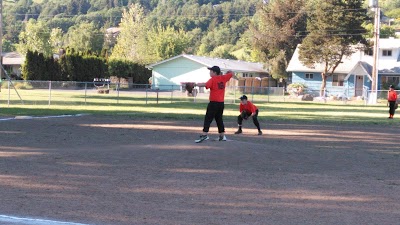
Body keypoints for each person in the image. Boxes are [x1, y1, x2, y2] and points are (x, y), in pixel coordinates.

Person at [195, 66, 235, 143]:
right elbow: (232, 73)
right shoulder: (224, 77)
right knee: (219, 119)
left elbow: (205, 84)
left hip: (213, 103)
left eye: (211, 71)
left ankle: (204, 135)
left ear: (215, 72)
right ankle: (222, 136)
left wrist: (195, 84)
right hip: (221, 103)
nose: (210, 72)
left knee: (208, 118)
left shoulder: (213, 79)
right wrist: (229, 71)